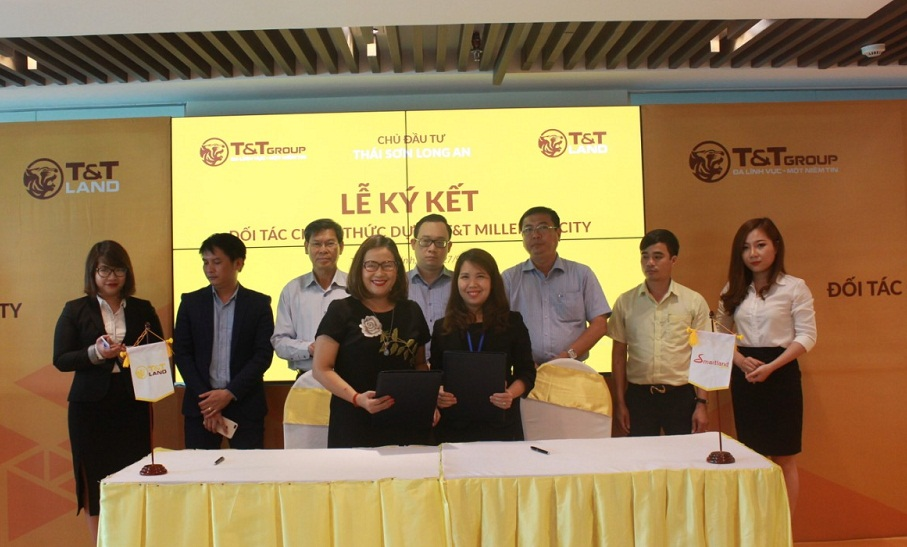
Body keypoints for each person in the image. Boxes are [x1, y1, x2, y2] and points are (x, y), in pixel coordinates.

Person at [53, 240, 163, 543]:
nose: (111, 277)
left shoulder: (142, 308)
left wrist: (133, 355)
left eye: (118, 269)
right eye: (104, 270)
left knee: (134, 477)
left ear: (127, 272)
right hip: (89, 408)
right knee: (95, 480)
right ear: (93, 272)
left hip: (132, 404)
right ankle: (101, 542)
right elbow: (61, 359)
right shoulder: (75, 309)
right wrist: (96, 353)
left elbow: (159, 353)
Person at [717, 217, 816, 514]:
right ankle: (758, 527)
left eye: (760, 245)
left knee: (784, 456)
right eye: (746, 247)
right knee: (753, 456)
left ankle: (784, 531)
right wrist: (739, 360)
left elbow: (807, 336)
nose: (753, 253)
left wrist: (772, 366)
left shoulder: (795, 287)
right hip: (745, 375)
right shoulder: (733, 289)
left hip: (782, 375)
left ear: (776, 247)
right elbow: (719, 333)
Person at [313, 235, 431, 448]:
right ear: (360, 269)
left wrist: (426, 403)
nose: (379, 273)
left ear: (397, 269)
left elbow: (420, 365)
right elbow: (321, 369)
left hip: (405, 421)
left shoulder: (412, 310)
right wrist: (357, 398)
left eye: (387, 265)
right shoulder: (341, 310)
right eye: (371, 265)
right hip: (354, 420)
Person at [173, 233, 274, 449]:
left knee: (249, 469)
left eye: (217, 262)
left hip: (245, 405)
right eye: (205, 262)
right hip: (200, 407)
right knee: (199, 468)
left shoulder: (258, 304)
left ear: (238, 263)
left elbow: (263, 356)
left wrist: (228, 394)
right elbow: (182, 353)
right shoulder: (190, 303)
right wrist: (209, 404)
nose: (209, 269)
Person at [608, 229, 710, 437]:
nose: (650, 263)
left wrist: (702, 403)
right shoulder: (625, 302)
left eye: (657, 256)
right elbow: (618, 356)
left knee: (683, 454)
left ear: (673, 260)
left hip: (680, 395)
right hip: (639, 397)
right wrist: (620, 403)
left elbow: (704, 354)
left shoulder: (693, 301)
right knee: (641, 455)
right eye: (645, 256)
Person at [431, 249, 536, 442]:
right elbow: (435, 375)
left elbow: (527, 373)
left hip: (501, 423)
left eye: (480, 276)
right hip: (453, 427)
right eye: (465, 277)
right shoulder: (443, 327)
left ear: (492, 281)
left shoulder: (512, 323)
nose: (472, 284)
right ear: (456, 282)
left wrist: (510, 394)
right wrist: (438, 393)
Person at [503, 206, 611, 365]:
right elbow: (498, 326)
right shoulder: (509, 279)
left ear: (559, 233)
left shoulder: (582, 274)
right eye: (528, 229)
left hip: (572, 368)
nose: (535, 235)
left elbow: (600, 324)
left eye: (542, 227)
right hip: (527, 372)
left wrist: (567, 356)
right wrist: (524, 361)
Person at [271, 219, 348, 376]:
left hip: (349, 378)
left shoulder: (356, 288)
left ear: (341, 247)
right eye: (316, 244)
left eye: (330, 244)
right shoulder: (292, 290)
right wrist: (309, 348)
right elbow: (279, 341)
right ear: (306, 247)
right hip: (307, 378)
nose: (323, 250)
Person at [407, 213, 453, 360]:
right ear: (413, 244)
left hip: (451, 365)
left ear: (449, 246)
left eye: (440, 242)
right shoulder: (397, 285)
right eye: (425, 241)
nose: (432, 248)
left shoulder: (461, 285)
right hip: (409, 366)